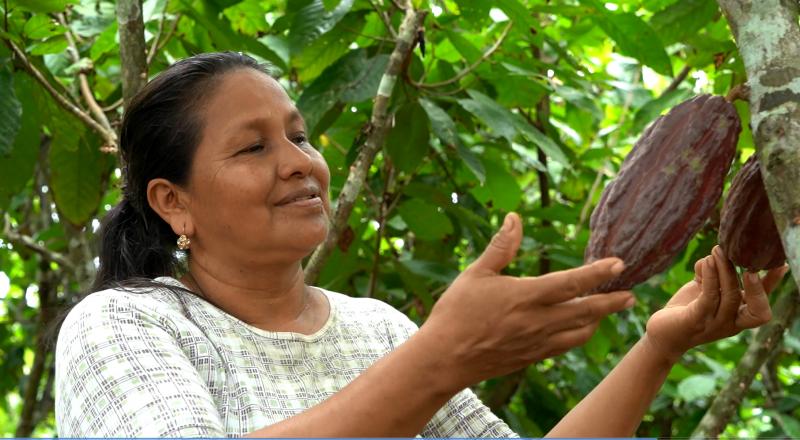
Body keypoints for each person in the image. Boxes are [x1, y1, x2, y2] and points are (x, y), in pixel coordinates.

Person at [54, 52, 787, 437]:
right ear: (172, 200)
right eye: (252, 149)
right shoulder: (126, 325)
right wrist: (440, 358)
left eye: (300, 136)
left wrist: (659, 347)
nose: (301, 163)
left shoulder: (376, 331)